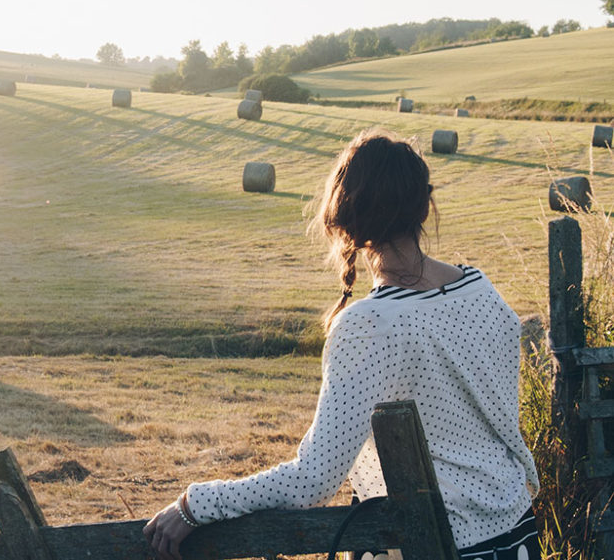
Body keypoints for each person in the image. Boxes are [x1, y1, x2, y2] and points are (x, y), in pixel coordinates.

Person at [143, 129, 540, 560]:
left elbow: (312, 481)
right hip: (516, 535)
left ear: (344, 217)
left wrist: (196, 504)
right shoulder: (483, 291)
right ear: (425, 206)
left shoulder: (370, 324)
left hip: (430, 545)